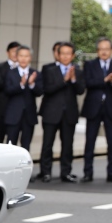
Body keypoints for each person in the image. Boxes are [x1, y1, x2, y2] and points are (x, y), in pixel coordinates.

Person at [38, 42, 84, 183]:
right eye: (62, 53)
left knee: (68, 145)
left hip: (69, 113)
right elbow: (47, 89)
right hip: (51, 112)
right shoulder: (49, 69)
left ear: (73, 55)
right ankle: (46, 172)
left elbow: (81, 90)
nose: (65, 56)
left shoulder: (77, 70)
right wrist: (64, 80)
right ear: (58, 54)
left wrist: (73, 79)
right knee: (47, 144)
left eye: (68, 53)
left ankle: (66, 172)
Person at [81, 38, 112, 182]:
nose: (104, 52)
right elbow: (88, 83)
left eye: (106, 49)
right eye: (101, 49)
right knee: (90, 141)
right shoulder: (90, 65)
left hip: (111, 108)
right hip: (94, 107)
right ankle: (88, 172)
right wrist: (105, 80)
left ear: (111, 50)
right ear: (97, 51)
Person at [3, 45, 42, 150]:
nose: (23, 58)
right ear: (17, 57)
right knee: (10, 145)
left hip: (29, 116)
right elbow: (7, 90)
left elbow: (40, 92)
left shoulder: (35, 73)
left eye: (26, 56)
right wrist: (21, 84)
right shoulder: (10, 72)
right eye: (21, 56)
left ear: (30, 58)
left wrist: (32, 84)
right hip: (13, 115)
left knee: (26, 145)